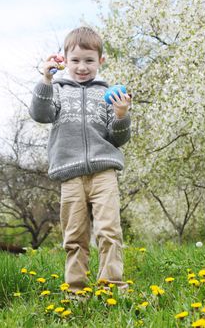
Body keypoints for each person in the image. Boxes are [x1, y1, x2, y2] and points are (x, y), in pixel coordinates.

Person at [29, 26, 131, 293]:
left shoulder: (108, 95)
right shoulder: (59, 90)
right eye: (75, 60)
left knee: (109, 231)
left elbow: (118, 138)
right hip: (70, 174)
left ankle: (112, 287)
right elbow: (41, 114)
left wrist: (121, 115)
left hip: (104, 173)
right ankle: (76, 290)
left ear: (101, 61)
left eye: (89, 60)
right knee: (74, 236)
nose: (82, 67)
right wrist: (46, 81)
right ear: (65, 60)